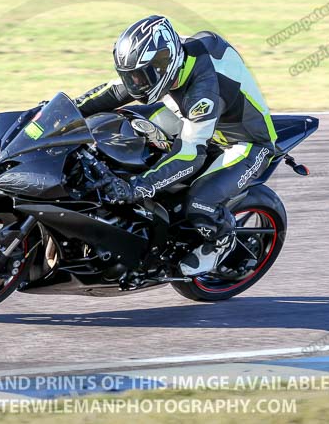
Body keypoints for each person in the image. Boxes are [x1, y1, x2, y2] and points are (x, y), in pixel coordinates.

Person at [75, 15, 277, 276]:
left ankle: (222, 240)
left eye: (140, 77)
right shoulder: (167, 58)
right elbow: (115, 91)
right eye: (131, 76)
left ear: (163, 65)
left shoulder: (203, 90)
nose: (135, 83)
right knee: (122, 128)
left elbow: (189, 155)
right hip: (195, 121)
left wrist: (136, 189)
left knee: (200, 203)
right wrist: (60, 111)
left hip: (244, 143)